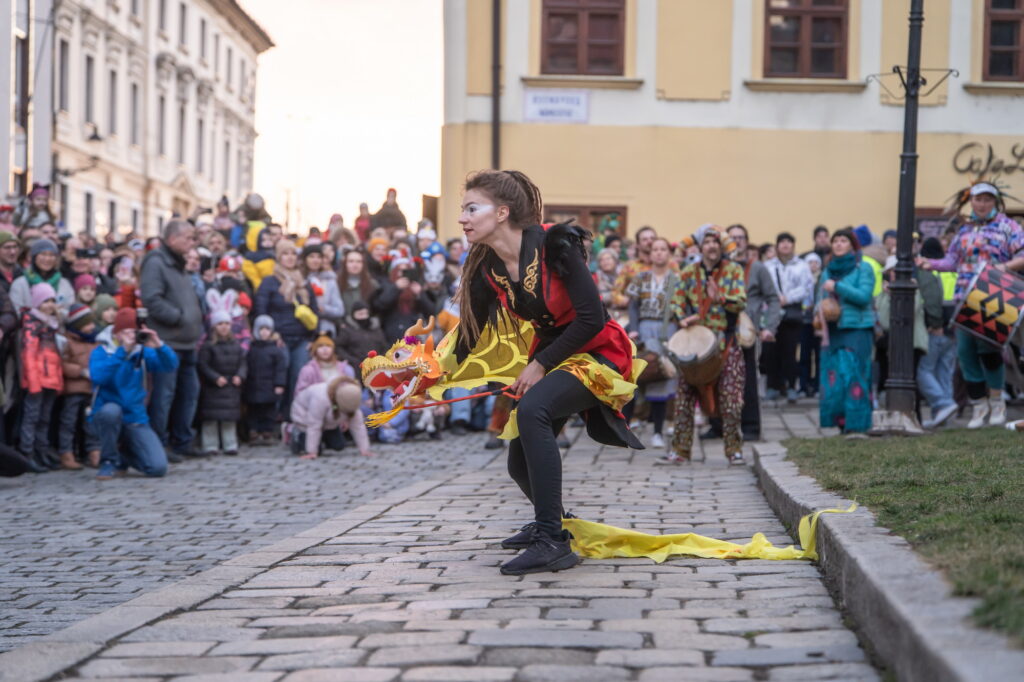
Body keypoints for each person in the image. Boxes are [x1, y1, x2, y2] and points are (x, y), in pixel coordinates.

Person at [454, 169, 641, 576]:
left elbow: (592, 318)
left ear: (502, 212)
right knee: (518, 463)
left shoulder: (556, 243)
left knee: (533, 409)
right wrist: (423, 375)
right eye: (462, 210)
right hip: (555, 355)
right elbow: (469, 336)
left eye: (472, 208)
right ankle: (556, 522)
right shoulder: (489, 267)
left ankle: (551, 541)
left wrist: (539, 364)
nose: (462, 218)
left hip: (599, 353)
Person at [920, 182, 1024, 428]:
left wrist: (1004, 267)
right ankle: (979, 405)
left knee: (988, 349)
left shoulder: (1008, 227)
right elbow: (952, 261)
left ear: (995, 202)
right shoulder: (964, 230)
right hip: (965, 297)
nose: (982, 204)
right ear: (971, 202)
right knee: (965, 352)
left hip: (995, 294)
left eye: (987, 199)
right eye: (978, 199)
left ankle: (997, 401)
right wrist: (929, 264)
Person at [665, 227, 747, 465]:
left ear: (721, 247)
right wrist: (681, 318)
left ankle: (734, 449)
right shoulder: (689, 272)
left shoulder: (733, 270)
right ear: (700, 248)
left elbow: (740, 302)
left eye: (715, 242)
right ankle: (680, 450)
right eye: (707, 242)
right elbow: (676, 302)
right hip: (694, 342)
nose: (711, 246)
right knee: (684, 397)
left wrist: (720, 296)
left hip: (725, 342)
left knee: (732, 400)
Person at [703, 224, 780, 442]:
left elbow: (773, 299)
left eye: (741, 238)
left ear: (747, 241)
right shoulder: (718, 267)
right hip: (718, 329)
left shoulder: (757, 269)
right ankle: (717, 426)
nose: (738, 242)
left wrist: (769, 327)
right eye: (733, 238)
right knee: (714, 377)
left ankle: (751, 427)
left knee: (747, 381)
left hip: (745, 332)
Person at [139, 219, 204, 461]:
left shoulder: (178, 264)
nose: (192, 242)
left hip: (187, 341)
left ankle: (182, 440)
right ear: (173, 238)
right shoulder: (157, 262)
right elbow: (152, 299)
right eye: (188, 238)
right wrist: (178, 318)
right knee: (163, 395)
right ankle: (159, 444)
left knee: (188, 393)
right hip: (167, 341)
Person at [90, 308, 178, 479]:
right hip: (107, 414)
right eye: (127, 332)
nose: (132, 336)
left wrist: (159, 346)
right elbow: (99, 377)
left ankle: (124, 457)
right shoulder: (102, 351)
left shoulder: (142, 352)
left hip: (135, 417)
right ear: (116, 334)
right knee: (111, 412)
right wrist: (122, 352)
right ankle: (108, 461)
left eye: (134, 332)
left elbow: (170, 366)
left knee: (157, 468)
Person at [816, 228, 876, 434]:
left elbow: (864, 297)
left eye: (843, 240)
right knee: (837, 379)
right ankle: (842, 423)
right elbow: (820, 299)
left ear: (852, 245)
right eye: (836, 241)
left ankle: (858, 425)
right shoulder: (827, 270)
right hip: (834, 331)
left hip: (857, 330)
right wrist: (819, 317)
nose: (839, 244)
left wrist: (838, 287)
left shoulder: (863, 268)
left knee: (855, 376)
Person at [253, 239, 320, 416]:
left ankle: (294, 416)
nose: (289, 258)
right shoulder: (269, 282)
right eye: (285, 254)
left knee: (298, 378)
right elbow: (261, 310)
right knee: (277, 379)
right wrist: (271, 334)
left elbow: (314, 311)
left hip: (301, 339)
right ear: (278, 257)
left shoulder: (304, 283)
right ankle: (273, 418)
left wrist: (313, 338)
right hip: (278, 338)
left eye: (293, 254)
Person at [625, 237, 679, 448]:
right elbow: (633, 306)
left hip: (667, 331)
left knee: (661, 378)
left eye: (662, 249)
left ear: (668, 253)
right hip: (644, 329)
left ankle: (657, 431)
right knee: (635, 377)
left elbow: (683, 305)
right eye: (655, 249)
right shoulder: (641, 277)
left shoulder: (676, 279)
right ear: (650, 254)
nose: (658, 253)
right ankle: (626, 430)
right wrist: (634, 328)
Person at [18, 283, 64, 469]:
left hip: (51, 378)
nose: (50, 305)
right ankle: (27, 453)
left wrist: (59, 381)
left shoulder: (52, 325)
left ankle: (41, 451)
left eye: (52, 300)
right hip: (37, 380)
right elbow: (28, 355)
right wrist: (33, 382)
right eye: (45, 301)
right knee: (32, 417)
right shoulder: (32, 324)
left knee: (45, 418)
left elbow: (56, 357)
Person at [764, 232, 814, 403]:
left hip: (792, 312)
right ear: (777, 246)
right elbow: (764, 285)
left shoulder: (801, 266)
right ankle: (773, 386)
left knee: (790, 351)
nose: (785, 245)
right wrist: (775, 298)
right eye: (782, 242)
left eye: (788, 242)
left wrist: (788, 298)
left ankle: (792, 386)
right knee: (771, 350)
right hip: (772, 311)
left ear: (793, 245)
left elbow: (806, 287)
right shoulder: (769, 266)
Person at [916, 237, 958, 429]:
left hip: (936, 326)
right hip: (955, 327)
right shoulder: (951, 270)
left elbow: (932, 302)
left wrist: (934, 324)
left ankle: (943, 404)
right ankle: (943, 415)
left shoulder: (929, 270)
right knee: (945, 371)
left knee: (925, 370)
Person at [197, 310, 246, 455]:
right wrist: (215, 377)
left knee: (229, 418)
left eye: (226, 324)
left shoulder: (236, 345)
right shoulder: (208, 346)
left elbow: (242, 363)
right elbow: (203, 365)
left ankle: (230, 444)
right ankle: (210, 444)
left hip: (231, 384)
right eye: (220, 324)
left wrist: (240, 375)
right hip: (214, 386)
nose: (224, 327)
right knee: (211, 418)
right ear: (214, 326)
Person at [59, 303, 102, 469]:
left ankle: (93, 450)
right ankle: (66, 452)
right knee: (68, 422)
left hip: (91, 389)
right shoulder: (68, 342)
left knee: (91, 422)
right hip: (74, 388)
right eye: (87, 323)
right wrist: (81, 371)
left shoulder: (95, 341)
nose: (91, 327)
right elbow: (63, 364)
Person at [289, 376, 373, 459]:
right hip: (304, 418)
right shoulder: (320, 398)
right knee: (316, 450)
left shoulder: (351, 399)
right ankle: (297, 435)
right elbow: (314, 425)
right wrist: (312, 452)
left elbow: (358, 426)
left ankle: (322, 438)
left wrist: (364, 449)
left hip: (328, 421)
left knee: (339, 445)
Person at [246, 315, 287, 446]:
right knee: (253, 410)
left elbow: (280, 369)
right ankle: (254, 431)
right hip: (253, 385)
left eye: (267, 329)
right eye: (261, 329)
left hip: (269, 386)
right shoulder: (251, 349)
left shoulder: (276, 350)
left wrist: (279, 384)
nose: (264, 332)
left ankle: (267, 431)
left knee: (269, 410)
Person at [9, 238, 76, 315]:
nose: (47, 259)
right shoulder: (20, 284)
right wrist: (39, 312)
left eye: (51, 255)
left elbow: (70, 311)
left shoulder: (64, 284)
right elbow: (16, 312)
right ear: (34, 257)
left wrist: (57, 312)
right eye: (43, 254)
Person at [302, 244, 345, 336]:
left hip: (324, 329)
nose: (315, 260)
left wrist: (324, 309)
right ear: (305, 259)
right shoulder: (299, 279)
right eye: (311, 256)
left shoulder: (330, 281)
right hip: (302, 327)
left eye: (319, 257)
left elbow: (339, 310)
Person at [335, 302, 388, 369]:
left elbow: (384, 346)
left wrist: (381, 359)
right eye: (360, 314)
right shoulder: (347, 330)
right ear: (353, 315)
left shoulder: (376, 329)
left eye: (365, 314)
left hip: (377, 366)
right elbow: (339, 347)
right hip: (356, 367)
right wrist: (352, 361)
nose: (363, 317)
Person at [338, 249, 381, 315]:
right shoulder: (337, 283)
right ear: (345, 264)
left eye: (359, 262)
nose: (355, 265)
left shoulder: (372, 284)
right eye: (351, 261)